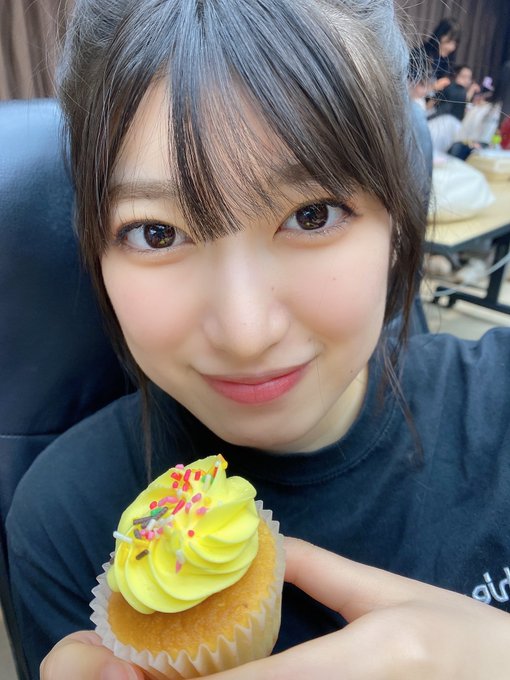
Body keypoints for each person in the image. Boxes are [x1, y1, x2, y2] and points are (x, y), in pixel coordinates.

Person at [6, 1, 510, 679]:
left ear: (398, 221)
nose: (245, 334)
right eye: (157, 232)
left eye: (313, 214)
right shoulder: (61, 522)